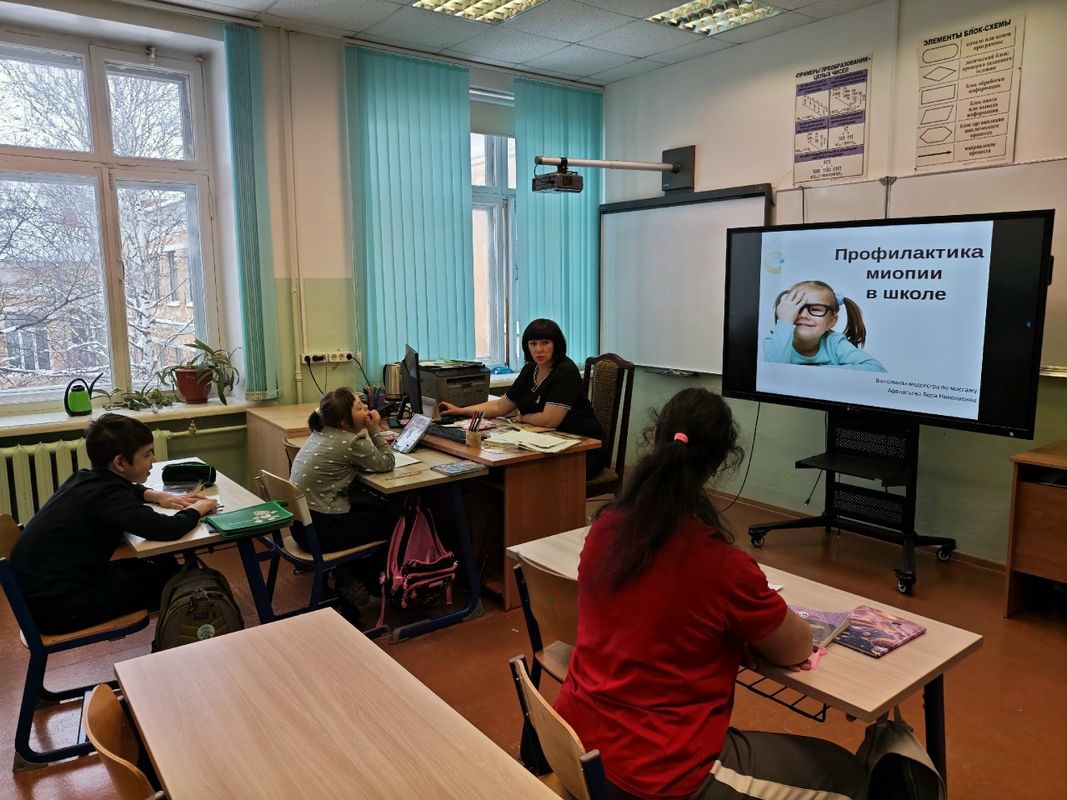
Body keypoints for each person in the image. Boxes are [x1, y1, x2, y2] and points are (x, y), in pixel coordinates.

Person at [554, 388, 867, 800]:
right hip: (656, 776)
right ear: (719, 463)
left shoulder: (604, 528)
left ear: (656, 439)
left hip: (575, 745)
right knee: (848, 775)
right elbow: (795, 648)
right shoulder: (723, 566)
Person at [8, 413, 217, 635]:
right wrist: (198, 508)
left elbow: (125, 489)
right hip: (60, 608)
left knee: (163, 563)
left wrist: (154, 495)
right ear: (120, 462)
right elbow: (167, 529)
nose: (153, 460)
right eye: (147, 454)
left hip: (46, 593)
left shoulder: (86, 478)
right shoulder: (109, 497)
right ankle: (194, 634)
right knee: (171, 580)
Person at [439, 319, 607, 479]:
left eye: (545, 343)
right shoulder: (530, 369)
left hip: (581, 449)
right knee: (490, 467)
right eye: (533, 343)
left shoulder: (565, 371)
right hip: (548, 443)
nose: (538, 349)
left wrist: (522, 418)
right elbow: (500, 406)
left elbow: (550, 420)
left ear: (556, 344)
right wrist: (461, 411)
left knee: (506, 472)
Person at [289, 387, 395, 606]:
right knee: (394, 519)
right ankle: (359, 577)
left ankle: (344, 570)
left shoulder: (320, 431)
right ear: (345, 423)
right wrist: (373, 428)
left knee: (371, 509)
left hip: (301, 528)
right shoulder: (351, 442)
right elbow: (387, 462)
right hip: (324, 533)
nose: (366, 408)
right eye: (359, 407)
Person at [764, 279, 886, 371]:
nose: (804, 315)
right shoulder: (773, 343)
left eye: (816, 309)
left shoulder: (834, 343)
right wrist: (784, 321)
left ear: (832, 321)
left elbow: (876, 369)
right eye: (796, 308)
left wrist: (815, 372)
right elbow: (774, 373)